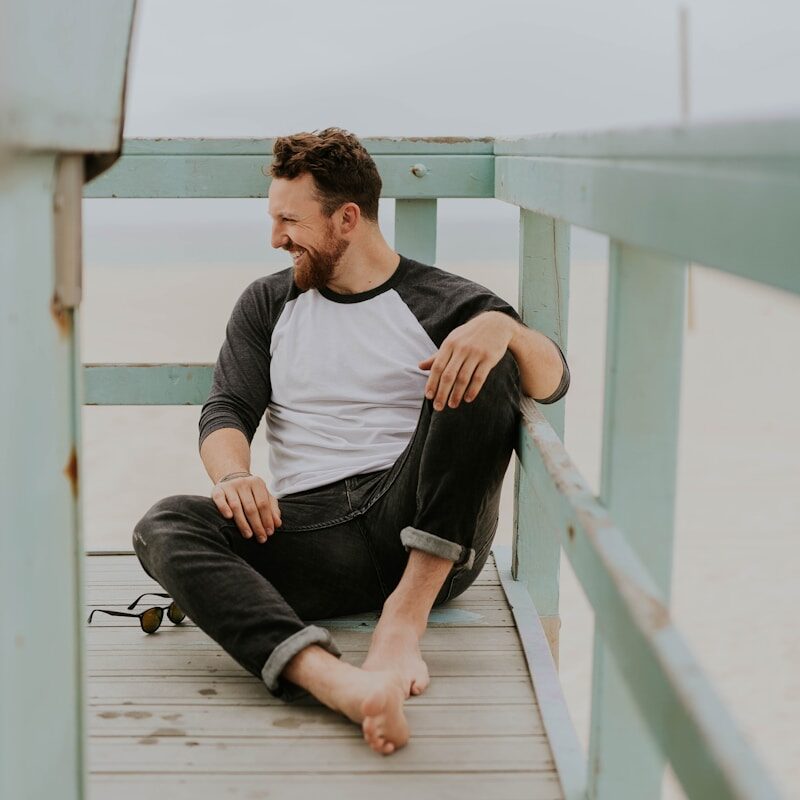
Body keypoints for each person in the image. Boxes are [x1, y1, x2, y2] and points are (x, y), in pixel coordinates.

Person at [132, 127, 570, 756]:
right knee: (164, 523)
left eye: (289, 219)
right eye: (272, 218)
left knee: (489, 358)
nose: (275, 237)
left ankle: (402, 621)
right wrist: (233, 477)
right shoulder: (266, 304)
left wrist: (501, 326)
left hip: (423, 522)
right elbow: (226, 409)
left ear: (346, 218)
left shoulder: (445, 301)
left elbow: (551, 382)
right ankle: (335, 682)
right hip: (311, 533)